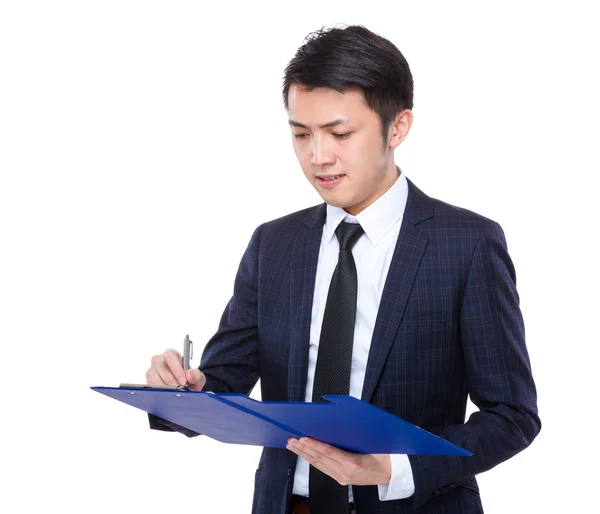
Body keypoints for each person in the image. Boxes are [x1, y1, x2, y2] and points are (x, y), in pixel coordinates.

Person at [145, 25, 541, 514]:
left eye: (339, 133)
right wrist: (184, 392)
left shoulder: (467, 245)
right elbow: (223, 382)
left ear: (397, 128)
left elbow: (513, 416)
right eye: (300, 134)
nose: (318, 157)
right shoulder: (275, 244)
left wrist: (394, 469)